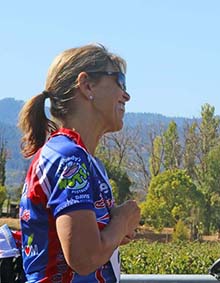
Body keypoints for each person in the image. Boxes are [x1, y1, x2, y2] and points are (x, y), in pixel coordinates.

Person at [18, 43, 141, 282]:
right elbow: (84, 258)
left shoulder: (82, 159)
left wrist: (113, 230)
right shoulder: (69, 158)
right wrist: (121, 221)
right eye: (120, 81)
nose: (126, 95)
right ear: (86, 86)